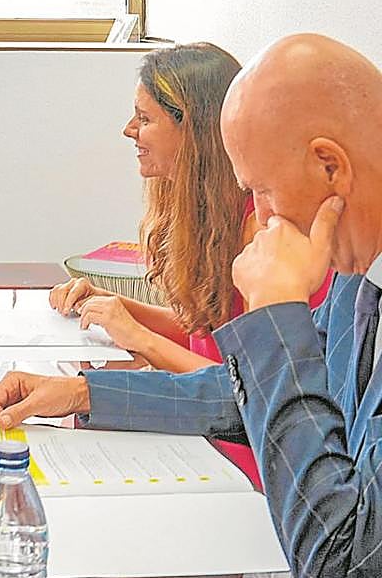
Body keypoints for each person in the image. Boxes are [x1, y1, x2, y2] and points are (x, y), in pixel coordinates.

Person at [0, 34, 382, 578]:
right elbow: (250, 393)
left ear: (330, 166)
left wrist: (275, 316)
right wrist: (88, 395)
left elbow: (340, 560)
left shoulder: (347, 260)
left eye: (262, 192)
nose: (263, 220)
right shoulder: (359, 273)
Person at [50, 42, 328, 372]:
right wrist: (111, 304)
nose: (129, 130)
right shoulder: (205, 213)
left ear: (194, 131)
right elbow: (205, 335)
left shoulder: (261, 231)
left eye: (144, 119)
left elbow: (251, 389)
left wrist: (140, 338)